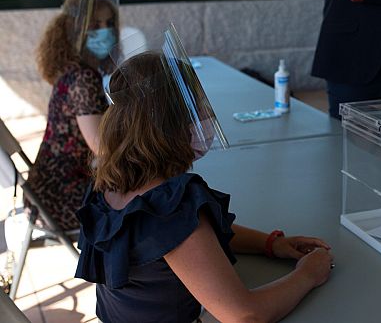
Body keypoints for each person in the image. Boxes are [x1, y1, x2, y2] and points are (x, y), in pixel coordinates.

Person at [75, 49, 334, 323]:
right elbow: (245, 315)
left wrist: (270, 243)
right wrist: (307, 275)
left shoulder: (109, 183)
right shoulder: (169, 207)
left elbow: (191, 237)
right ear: (171, 124)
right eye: (195, 106)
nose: (204, 115)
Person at [30, 0, 119, 229]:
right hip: (65, 197)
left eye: (109, 23)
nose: (106, 31)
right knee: (153, 200)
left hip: (48, 191)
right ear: (75, 30)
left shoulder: (74, 70)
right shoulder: (83, 78)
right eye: (95, 25)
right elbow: (101, 146)